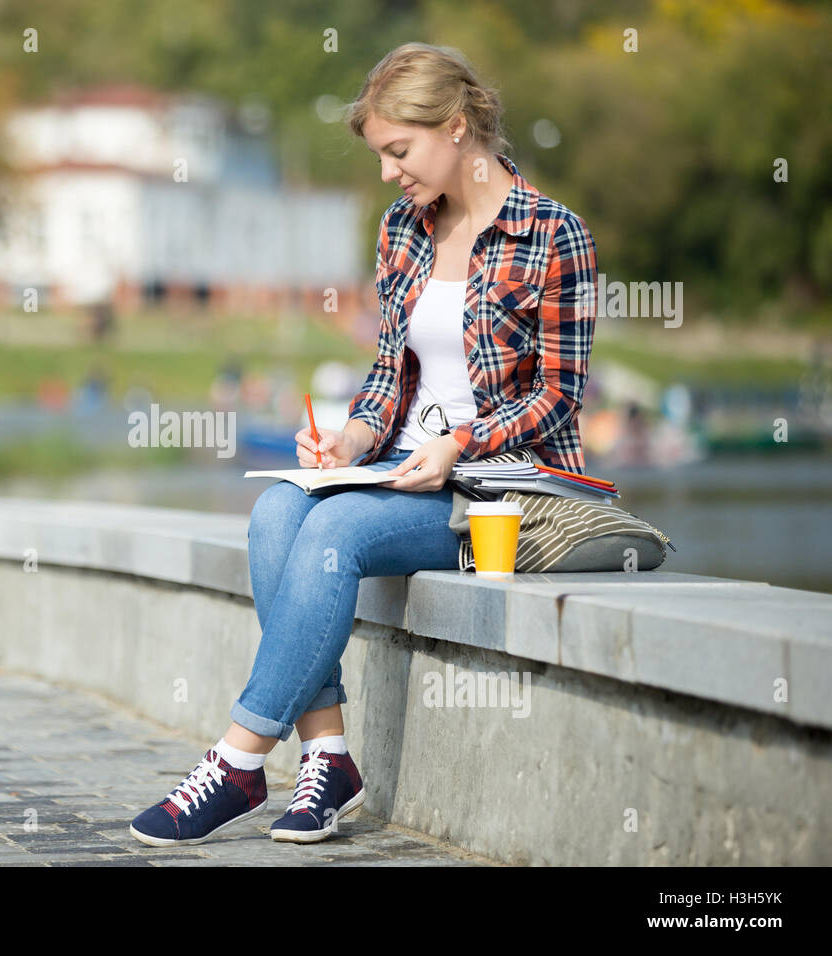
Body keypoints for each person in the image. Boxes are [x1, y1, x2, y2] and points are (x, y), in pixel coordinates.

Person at [129, 42, 598, 847]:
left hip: (500, 493)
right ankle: (329, 756)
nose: (388, 173)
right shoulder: (402, 230)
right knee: (277, 513)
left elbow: (559, 397)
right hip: (402, 469)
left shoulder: (555, 235)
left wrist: (459, 443)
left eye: (398, 152)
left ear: (457, 128)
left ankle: (240, 761)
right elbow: (389, 370)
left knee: (336, 532)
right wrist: (349, 436)